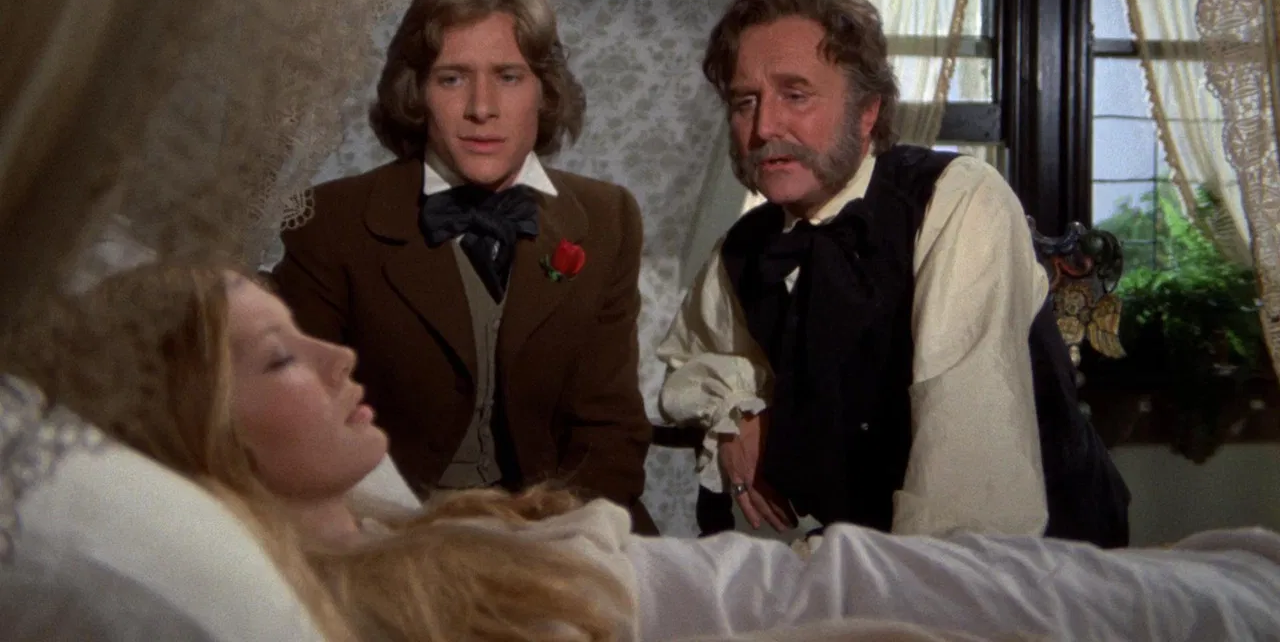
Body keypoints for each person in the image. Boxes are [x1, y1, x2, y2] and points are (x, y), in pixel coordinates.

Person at [42, 264, 1280, 642]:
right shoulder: (387, 606)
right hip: (823, 597)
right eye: (278, 357)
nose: (336, 357)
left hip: (845, 566)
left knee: (1213, 577)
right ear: (196, 434)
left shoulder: (404, 535)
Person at [657, 0, 1131, 546]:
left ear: (867, 111)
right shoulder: (744, 249)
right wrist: (735, 413)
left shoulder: (956, 199)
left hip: (1033, 560)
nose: (763, 128)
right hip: (864, 554)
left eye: (796, 95)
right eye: (745, 102)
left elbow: (965, 478)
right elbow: (689, 361)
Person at [270, 0, 657, 533]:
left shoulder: (606, 218)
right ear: (417, 93)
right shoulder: (332, 221)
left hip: (557, 525)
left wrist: (565, 536)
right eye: (452, 79)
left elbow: (609, 424)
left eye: (508, 76)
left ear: (544, 91)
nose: (482, 107)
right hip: (393, 526)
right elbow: (305, 426)